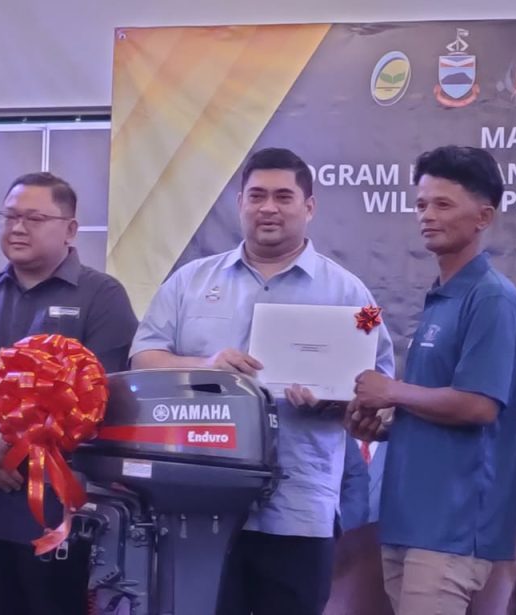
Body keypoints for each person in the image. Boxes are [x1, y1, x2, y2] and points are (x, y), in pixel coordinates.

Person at [129, 147, 395, 615]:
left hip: (299, 508)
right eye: (256, 196)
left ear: (309, 207)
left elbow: (380, 387)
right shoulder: (188, 282)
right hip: (196, 506)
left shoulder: (354, 295)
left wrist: (334, 400)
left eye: (283, 197)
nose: (268, 207)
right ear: (240, 203)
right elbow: (142, 359)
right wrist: (206, 365)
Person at [0, 172, 138, 615]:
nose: (18, 228)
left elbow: (100, 394)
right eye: (10, 216)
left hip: (54, 514)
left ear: (70, 229)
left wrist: (7, 445)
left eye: (34, 218)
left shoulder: (101, 296)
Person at [348, 145, 516, 615]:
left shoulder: (492, 298)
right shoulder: (440, 296)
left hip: (452, 528)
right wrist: (384, 423)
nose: (427, 215)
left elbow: (479, 405)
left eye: (443, 204)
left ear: (484, 217)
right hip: (407, 520)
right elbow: (429, 403)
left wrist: (391, 391)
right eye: (421, 204)